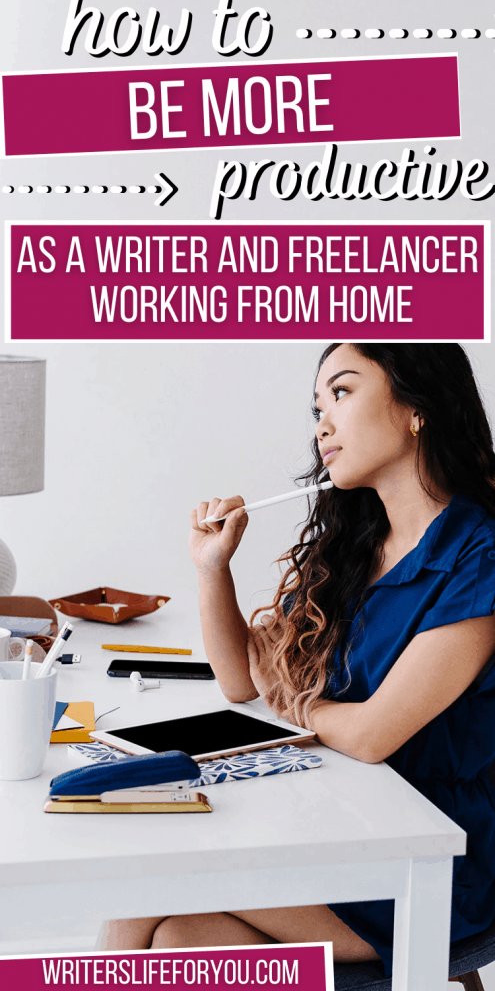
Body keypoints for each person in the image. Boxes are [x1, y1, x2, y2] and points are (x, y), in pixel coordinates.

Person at [102, 342, 495, 977]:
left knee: (148, 884)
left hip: (430, 854)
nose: (322, 425)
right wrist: (212, 571)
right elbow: (241, 681)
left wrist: (299, 705)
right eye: (317, 406)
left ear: (416, 408)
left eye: (341, 393)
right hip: (341, 818)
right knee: (180, 939)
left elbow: (370, 736)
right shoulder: (357, 548)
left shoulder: (479, 555)